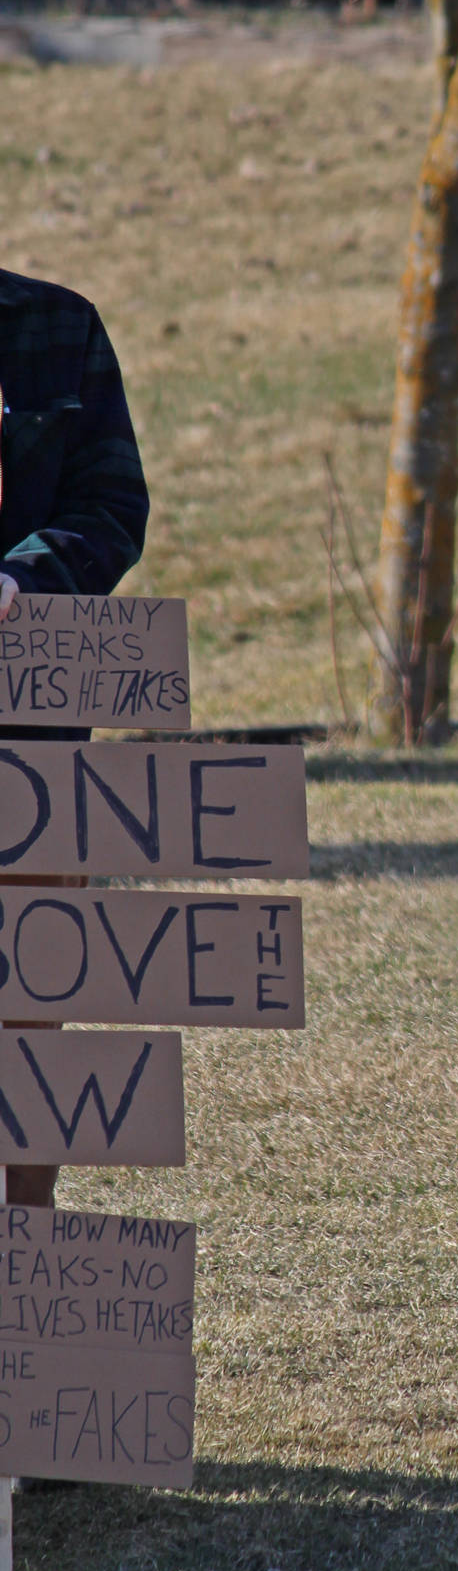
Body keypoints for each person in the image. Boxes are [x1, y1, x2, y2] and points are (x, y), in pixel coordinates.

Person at [0, 264, 150, 1209]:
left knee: (24, 1049)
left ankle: (23, 1313)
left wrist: (23, 579)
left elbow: (111, 507)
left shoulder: (55, 327)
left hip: (31, 773)